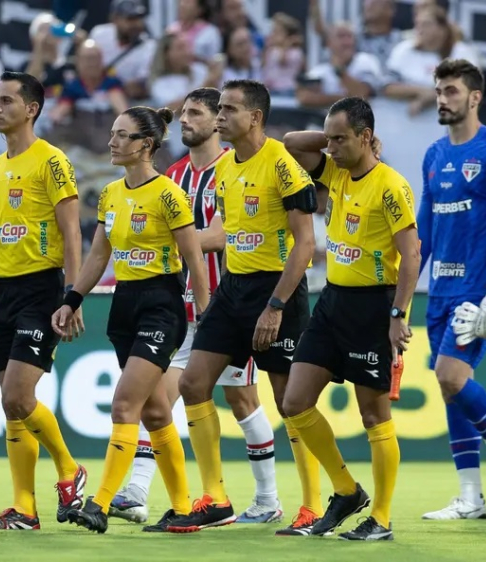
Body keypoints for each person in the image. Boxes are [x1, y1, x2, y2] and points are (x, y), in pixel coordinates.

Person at [109, 87, 284, 526]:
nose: (185, 119)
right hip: (175, 305)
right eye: (183, 113)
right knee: (159, 399)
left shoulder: (233, 167)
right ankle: (136, 490)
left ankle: (267, 499)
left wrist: (171, 237)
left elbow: (226, 233)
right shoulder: (172, 175)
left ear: (216, 122)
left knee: (243, 399)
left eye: (197, 113)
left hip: (224, 304)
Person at [165, 79, 318, 534]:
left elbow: (305, 244)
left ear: (254, 117)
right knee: (193, 384)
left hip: (277, 291)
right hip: (234, 290)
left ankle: (311, 504)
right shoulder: (226, 169)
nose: (219, 118)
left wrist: (275, 306)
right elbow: (226, 232)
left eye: (228, 110)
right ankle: (215, 497)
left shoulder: (284, 165)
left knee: (293, 403)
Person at [52, 105, 210, 534]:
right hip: (124, 305)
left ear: (146, 145)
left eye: (122, 135)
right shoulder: (110, 194)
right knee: (156, 414)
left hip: (161, 305)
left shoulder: (168, 195)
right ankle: (182, 509)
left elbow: (194, 257)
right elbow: (99, 254)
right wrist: (72, 298)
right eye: (112, 133)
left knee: (125, 405)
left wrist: (203, 312)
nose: (111, 141)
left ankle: (99, 504)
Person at [0, 71, 86, 531]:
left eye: (6, 100)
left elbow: (72, 232)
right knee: (12, 405)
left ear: (31, 109)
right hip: (2, 292)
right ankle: (24, 508)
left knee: (16, 396)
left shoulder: (51, 162)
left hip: (41, 289)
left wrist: (73, 296)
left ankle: (70, 470)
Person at [282, 96, 421, 540]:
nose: (330, 147)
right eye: (330, 137)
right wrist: (331, 138)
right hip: (333, 302)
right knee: (294, 403)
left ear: (366, 137)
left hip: (372, 306)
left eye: (341, 139)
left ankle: (380, 517)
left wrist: (398, 315)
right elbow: (289, 143)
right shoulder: (337, 170)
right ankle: (346, 491)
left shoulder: (391, 186)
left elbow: (412, 254)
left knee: (373, 416)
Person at [417, 59, 486, 521]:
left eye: (452, 91)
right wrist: (400, 293)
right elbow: (422, 231)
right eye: (439, 90)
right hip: (439, 289)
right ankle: (469, 498)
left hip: (479, 289)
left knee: (450, 376)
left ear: (475, 97)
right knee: (451, 389)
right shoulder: (434, 155)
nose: (443, 98)